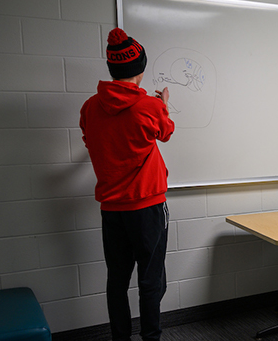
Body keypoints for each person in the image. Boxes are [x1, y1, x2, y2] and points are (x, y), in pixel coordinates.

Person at [80, 27, 175, 341]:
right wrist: (163, 104)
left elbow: (91, 138)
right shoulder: (150, 106)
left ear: (112, 69)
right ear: (141, 70)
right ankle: (151, 338)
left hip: (112, 209)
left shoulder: (90, 108)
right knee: (151, 282)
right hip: (147, 207)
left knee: (117, 281)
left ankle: (120, 338)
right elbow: (166, 132)